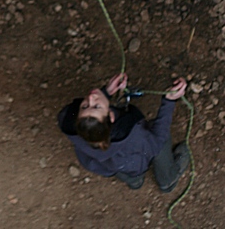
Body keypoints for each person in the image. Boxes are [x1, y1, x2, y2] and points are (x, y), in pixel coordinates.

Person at [58, 72, 190, 193]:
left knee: (124, 171)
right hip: (134, 161)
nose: (91, 97)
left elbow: (88, 117)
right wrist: (169, 101)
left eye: (85, 106)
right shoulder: (135, 135)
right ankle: (167, 181)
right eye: (97, 106)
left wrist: (106, 93)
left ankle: (135, 182)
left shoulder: (72, 125)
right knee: (157, 137)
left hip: (110, 165)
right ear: (111, 117)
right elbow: (158, 140)